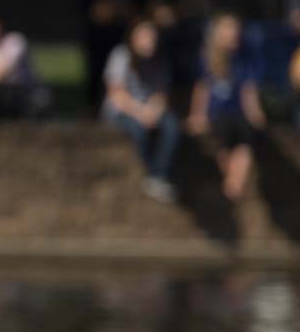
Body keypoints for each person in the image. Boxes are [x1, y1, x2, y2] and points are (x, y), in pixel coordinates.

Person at [189, 13, 267, 201]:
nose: (233, 33)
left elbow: (249, 89)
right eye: (227, 28)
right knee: (221, 137)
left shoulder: (245, 55)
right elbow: (202, 88)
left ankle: (235, 184)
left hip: (239, 113)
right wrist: (197, 114)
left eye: (235, 28)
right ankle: (233, 183)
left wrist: (255, 112)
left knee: (246, 137)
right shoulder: (206, 56)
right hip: (218, 115)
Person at [103, 19, 180, 202]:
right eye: (144, 37)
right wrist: (140, 113)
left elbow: (161, 94)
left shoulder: (160, 60)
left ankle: (159, 176)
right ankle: (150, 174)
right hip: (123, 110)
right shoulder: (121, 56)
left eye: (152, 37)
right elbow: (116, 94)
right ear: (133, 38)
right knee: (138, 131)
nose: (149, 41)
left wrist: (153, 112)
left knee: (172, 126)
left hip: (149, 110)